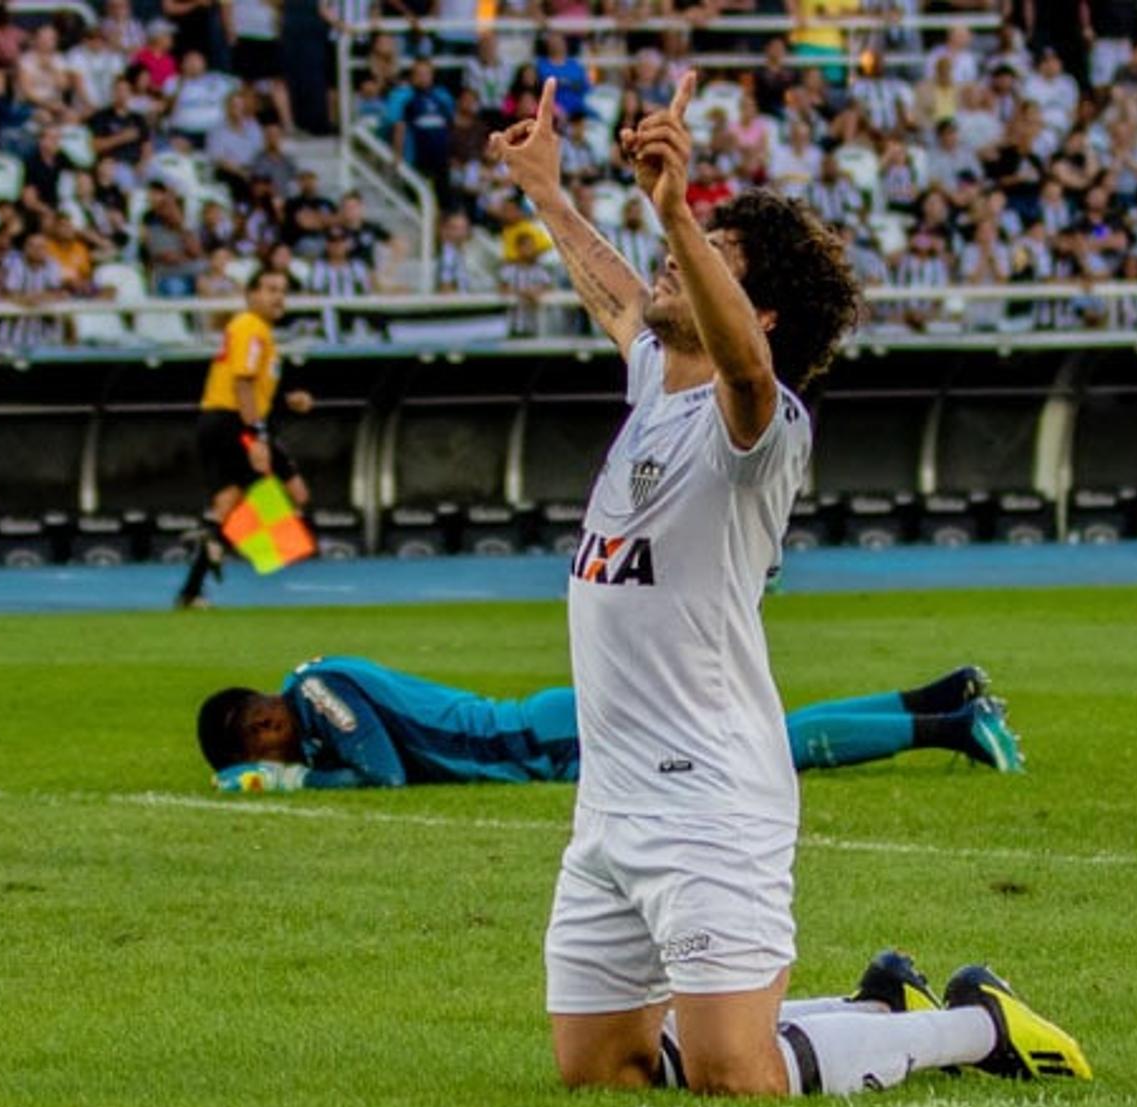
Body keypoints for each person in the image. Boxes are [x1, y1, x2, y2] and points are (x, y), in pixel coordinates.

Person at [487, 74, 1091, 1098]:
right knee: (604, 1075)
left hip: (710, 796)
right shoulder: (655, 381)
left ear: (756, 313)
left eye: (710, 261)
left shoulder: (760, 430)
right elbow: (618, 294)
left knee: (736, 1078)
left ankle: (972, 1027)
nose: (673, 267)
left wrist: (676, 209)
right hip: (612, 799)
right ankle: (871, 1012)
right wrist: (547, 191)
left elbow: (749, 370)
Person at [198, 659, 1023, 790]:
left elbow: (384, 774)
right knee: (757, 734)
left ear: (258, 719)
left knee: (750, 752)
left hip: (546, 741)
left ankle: (953, 727)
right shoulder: (310, 699)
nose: (277, 744)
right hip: (552, 731)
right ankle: (939, 700)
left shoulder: (313, 691)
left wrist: (299, 782)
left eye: (262, 738)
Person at [177, 268, 315, 609]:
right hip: (233, 422)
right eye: (270, 289)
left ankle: (195, 580)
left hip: (223, 420)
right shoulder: (250, 328)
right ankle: (213, 540)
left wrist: (286, 400)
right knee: (294, 493)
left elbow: (253, 385)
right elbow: (242, 383)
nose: (278, 297)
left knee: (228, 505)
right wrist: (256, 437)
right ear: (251, 294)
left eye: (282, 290)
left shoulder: (258, 332)